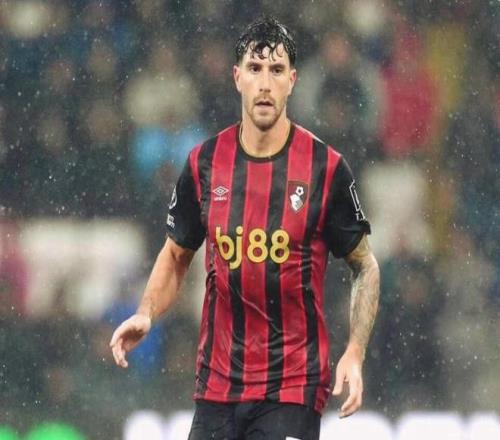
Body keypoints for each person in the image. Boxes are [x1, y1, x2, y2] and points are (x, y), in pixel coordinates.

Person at [110, 16, 380, 440]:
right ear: (237, 77)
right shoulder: (203, 163)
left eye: (277, 70)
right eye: (255, 69)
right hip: (218, 386)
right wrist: (146, 312)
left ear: (292, 80)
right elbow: (177, 253)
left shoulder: (325, 168)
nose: (265, 84)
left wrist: (355, 351)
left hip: (293, 386)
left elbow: (365, 265)